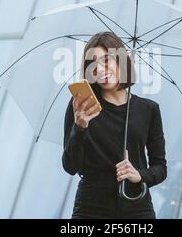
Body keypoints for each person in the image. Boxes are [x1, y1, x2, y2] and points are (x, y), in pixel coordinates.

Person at [62, 31, 167, 219]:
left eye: (106, 60)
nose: (100, 69)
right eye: (93, 64)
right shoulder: (81, 105)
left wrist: (139, 175)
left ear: (121, 61)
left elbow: (160, 168)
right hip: (91, 209)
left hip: (136, 208)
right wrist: (80, 127)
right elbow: (70, 166)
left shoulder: (148, 109)